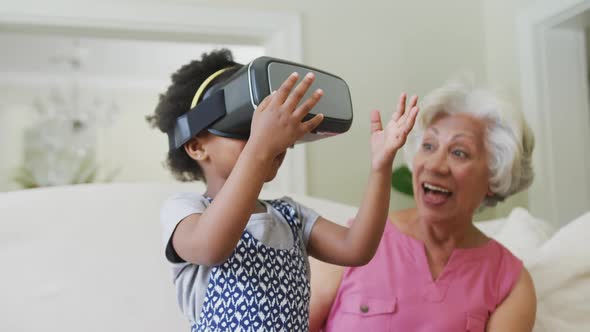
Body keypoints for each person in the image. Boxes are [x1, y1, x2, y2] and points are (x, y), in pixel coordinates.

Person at [146, 49, 419, 331]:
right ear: (196, 146)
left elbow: (356, 248)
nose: (271, 143)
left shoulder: (290, 216)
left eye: (271, 134)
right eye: (247, 133)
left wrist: (381, 165)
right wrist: (260, 147)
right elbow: (210, 247)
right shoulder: (187, 210)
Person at [309, 79, 537, 332]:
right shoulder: (347, 246)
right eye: (428, 146)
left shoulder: (509, 282)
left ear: (495, 175)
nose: (435, 165)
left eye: (459, 152)